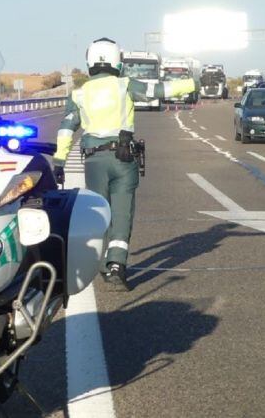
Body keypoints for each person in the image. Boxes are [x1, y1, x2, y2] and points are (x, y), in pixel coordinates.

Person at [53, 38, 196, 290]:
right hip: (123, 158)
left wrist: (59, 161)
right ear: (117, 62)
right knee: (122, 213)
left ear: (89, 63)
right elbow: (158, 92)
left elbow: (66, 129)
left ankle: (100, 264)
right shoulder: (125, 85)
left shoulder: (78, 94)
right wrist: (192, 82)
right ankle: (117, 266)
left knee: (99, 213)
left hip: (94, 161)